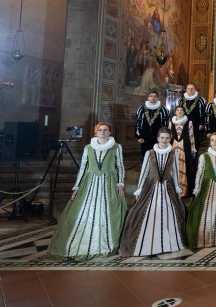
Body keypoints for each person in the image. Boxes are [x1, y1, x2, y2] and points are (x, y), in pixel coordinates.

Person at [48, 122, 127, 258]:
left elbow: (119, 166)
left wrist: (120, 183)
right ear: (96, 132)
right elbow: (83, 168)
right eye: (100, 130)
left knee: (107, 210)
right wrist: (77, 187)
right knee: (85, 211)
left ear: (110, 132)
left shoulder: (116, 147)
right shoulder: (89, 147)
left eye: (105, 130)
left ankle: (105, 243)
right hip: (90, 182)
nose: (102, 132)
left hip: (109, 182)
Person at [120, 128, 186, 257]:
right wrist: (139, 189)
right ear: (158, 138)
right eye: (162, 138)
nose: (164, 140)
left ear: (170, 139)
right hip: (151, 186)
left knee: (168, 212)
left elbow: (175, 173)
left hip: (168, 187)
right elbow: (144, 172)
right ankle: (149, 242)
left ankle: (168, 242)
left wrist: (177, 188)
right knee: (146, 212)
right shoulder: (149, 153)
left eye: (167, 138)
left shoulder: (173, 153)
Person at [168, 105, 196, 196]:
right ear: (175, 112)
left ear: (184, 112)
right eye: (177, 110)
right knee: (173, 166)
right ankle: (172, 189)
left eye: (181, 110)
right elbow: (169, 136)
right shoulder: (171, 122)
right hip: (174, 146)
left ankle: (184, 191)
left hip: (185, 147)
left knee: (186, 167)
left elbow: (191, 136)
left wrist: (193, 148)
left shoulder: (189, 122)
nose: (179, 111)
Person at [135, 91, 169, 159]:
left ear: (158, 98)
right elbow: (138, 123)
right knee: (145, 157)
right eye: (151, 96)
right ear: (148, 98)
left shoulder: (164, 109)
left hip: (158, 138)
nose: (153, 98)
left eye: (155, 96)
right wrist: (138, 136)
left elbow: (166, 125)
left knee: (157, 157)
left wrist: (164, 137)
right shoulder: (141, 109)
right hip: (144, 138)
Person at [175, 83, 206, 149]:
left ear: (195, 89)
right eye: (188, 88)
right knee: (184, 140)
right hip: (183, 123)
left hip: (196, 124)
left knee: (195, 140)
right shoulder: (181, 99)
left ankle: (194, 154)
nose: (190, 90)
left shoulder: (200, 99)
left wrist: (202, 123)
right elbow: (178, 111)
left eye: (192, 88)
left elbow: (203, 113)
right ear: (186, 90)